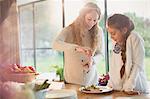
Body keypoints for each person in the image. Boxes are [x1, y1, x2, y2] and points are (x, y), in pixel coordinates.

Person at [52, 2, 104, 86]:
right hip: (72, 81)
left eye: (95, 20)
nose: (91, 23)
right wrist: (76, 48)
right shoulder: (69, 29)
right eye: (89, 19)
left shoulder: (99, 31)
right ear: (82, 17)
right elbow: (55, 44)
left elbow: (101, 54)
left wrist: (92, 61)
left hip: (92, 81)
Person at [107, 14, 148, 95]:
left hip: (135, 87)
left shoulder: (135, 38)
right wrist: (111, 84)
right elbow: (114, 65)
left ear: (124, 30)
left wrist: (129, 86)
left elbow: (137, 65)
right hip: (118, 89)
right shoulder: (115, 41)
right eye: (110, 33)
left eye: (113, 33)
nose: (111, 37)